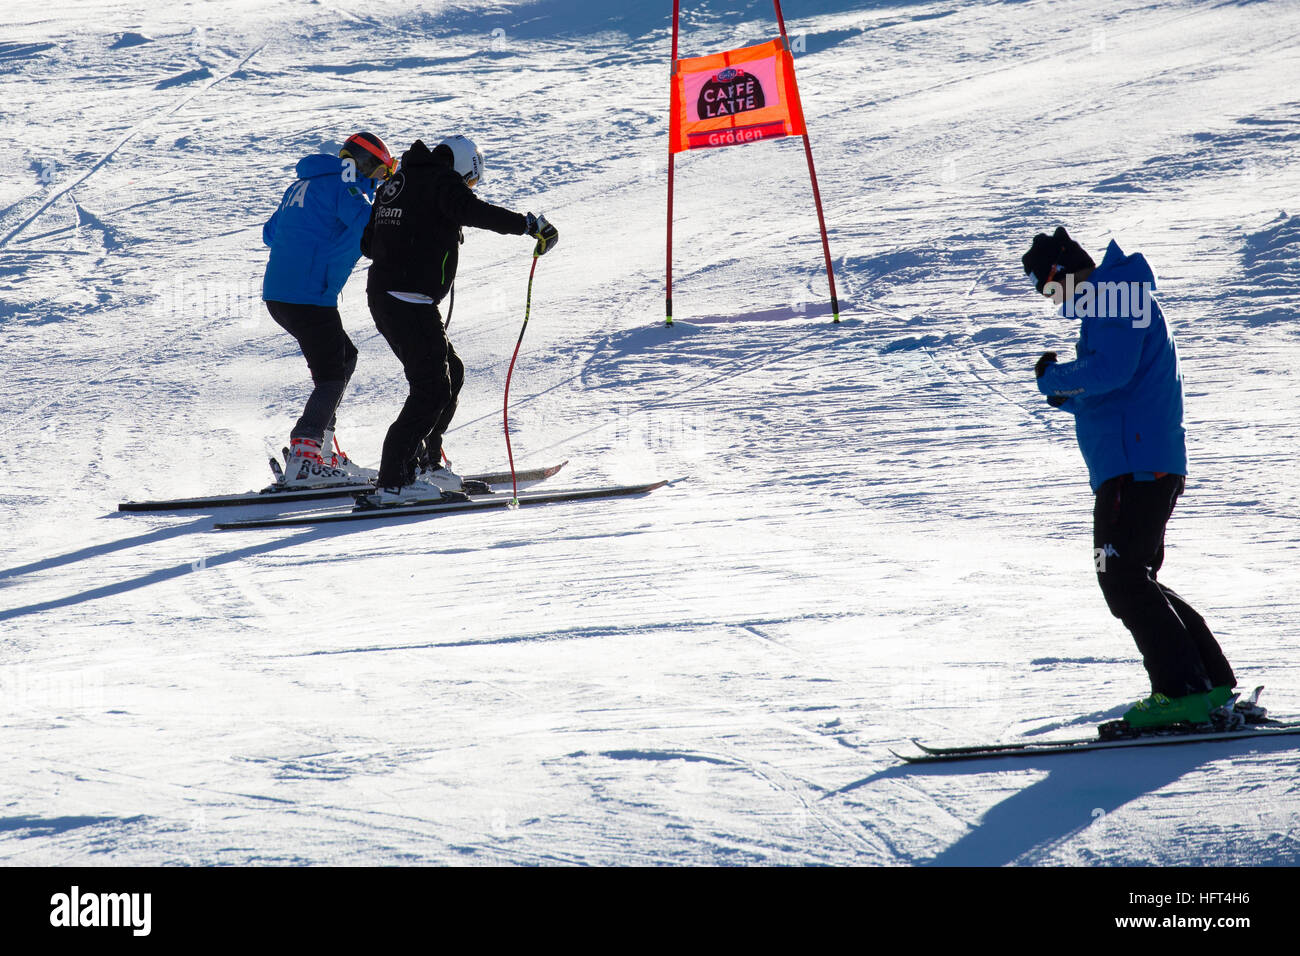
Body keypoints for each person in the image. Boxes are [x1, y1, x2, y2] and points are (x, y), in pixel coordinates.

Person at [1025, 226, 1237, 730]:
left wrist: (1055, 380)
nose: (1053, 301)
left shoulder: (1115, 296)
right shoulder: (1115, 300)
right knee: (1133, 576)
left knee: (1120, 577)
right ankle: (1206, 682)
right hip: (1137, 462)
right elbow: (1112, 379)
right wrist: (1068, 393)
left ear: (1064, 270)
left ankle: (1181, 691)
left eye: (1050, 288)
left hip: (1135, 466)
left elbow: (1112, 373)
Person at [358, 134, 558, 508]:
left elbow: (367, 244)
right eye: (470, 182)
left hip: (390, 297)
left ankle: (426, 462)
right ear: (465, 168)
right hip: (407, 300)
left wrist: (422, 233)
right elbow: (474, 211)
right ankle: (395, 481)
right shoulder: (439, 179)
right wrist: (528, 225)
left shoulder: (395, 182)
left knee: (452, 371)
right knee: (431, 386)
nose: (467, 189)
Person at [261, 131, 397, 487]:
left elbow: (269, 234)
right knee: (332, 373)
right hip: (308, 297)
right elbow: (370, 226)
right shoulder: (345, 188)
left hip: (280, 295)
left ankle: (318, 452)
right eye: (381, 173)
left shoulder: (300, 187)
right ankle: (306, 455)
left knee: (344, 356)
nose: (379, 183)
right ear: (364, 165)